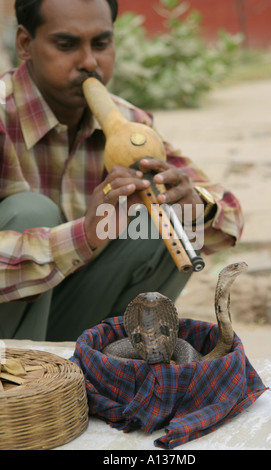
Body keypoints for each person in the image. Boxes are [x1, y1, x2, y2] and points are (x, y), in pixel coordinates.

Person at [0, 0, 244, 341]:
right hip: (7, 336)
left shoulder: (132, 125)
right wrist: (83, 236)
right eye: (66, 45)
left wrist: (194, 204)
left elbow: (231, 218)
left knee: (163, 218)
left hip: (67, 319)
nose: (89, 63)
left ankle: (94, 373)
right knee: (31, 210)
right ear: (25, 43)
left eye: (101, 44)